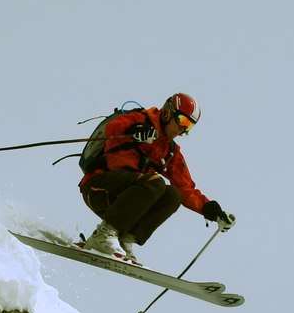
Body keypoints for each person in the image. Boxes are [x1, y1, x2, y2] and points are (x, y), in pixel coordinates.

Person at [78, 92, 234, 264]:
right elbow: (112, 128)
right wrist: (134, 131)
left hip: (124, 202)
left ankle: (124, 239)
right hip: (98, 188)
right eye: (182, 121)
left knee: (173, 195)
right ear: (168, 113)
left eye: (189, 126)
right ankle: (104, 235)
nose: (182, 130)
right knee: (155, 182)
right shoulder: (140, 119)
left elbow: (186, 189)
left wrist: (212, 211)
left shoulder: (170, 152)